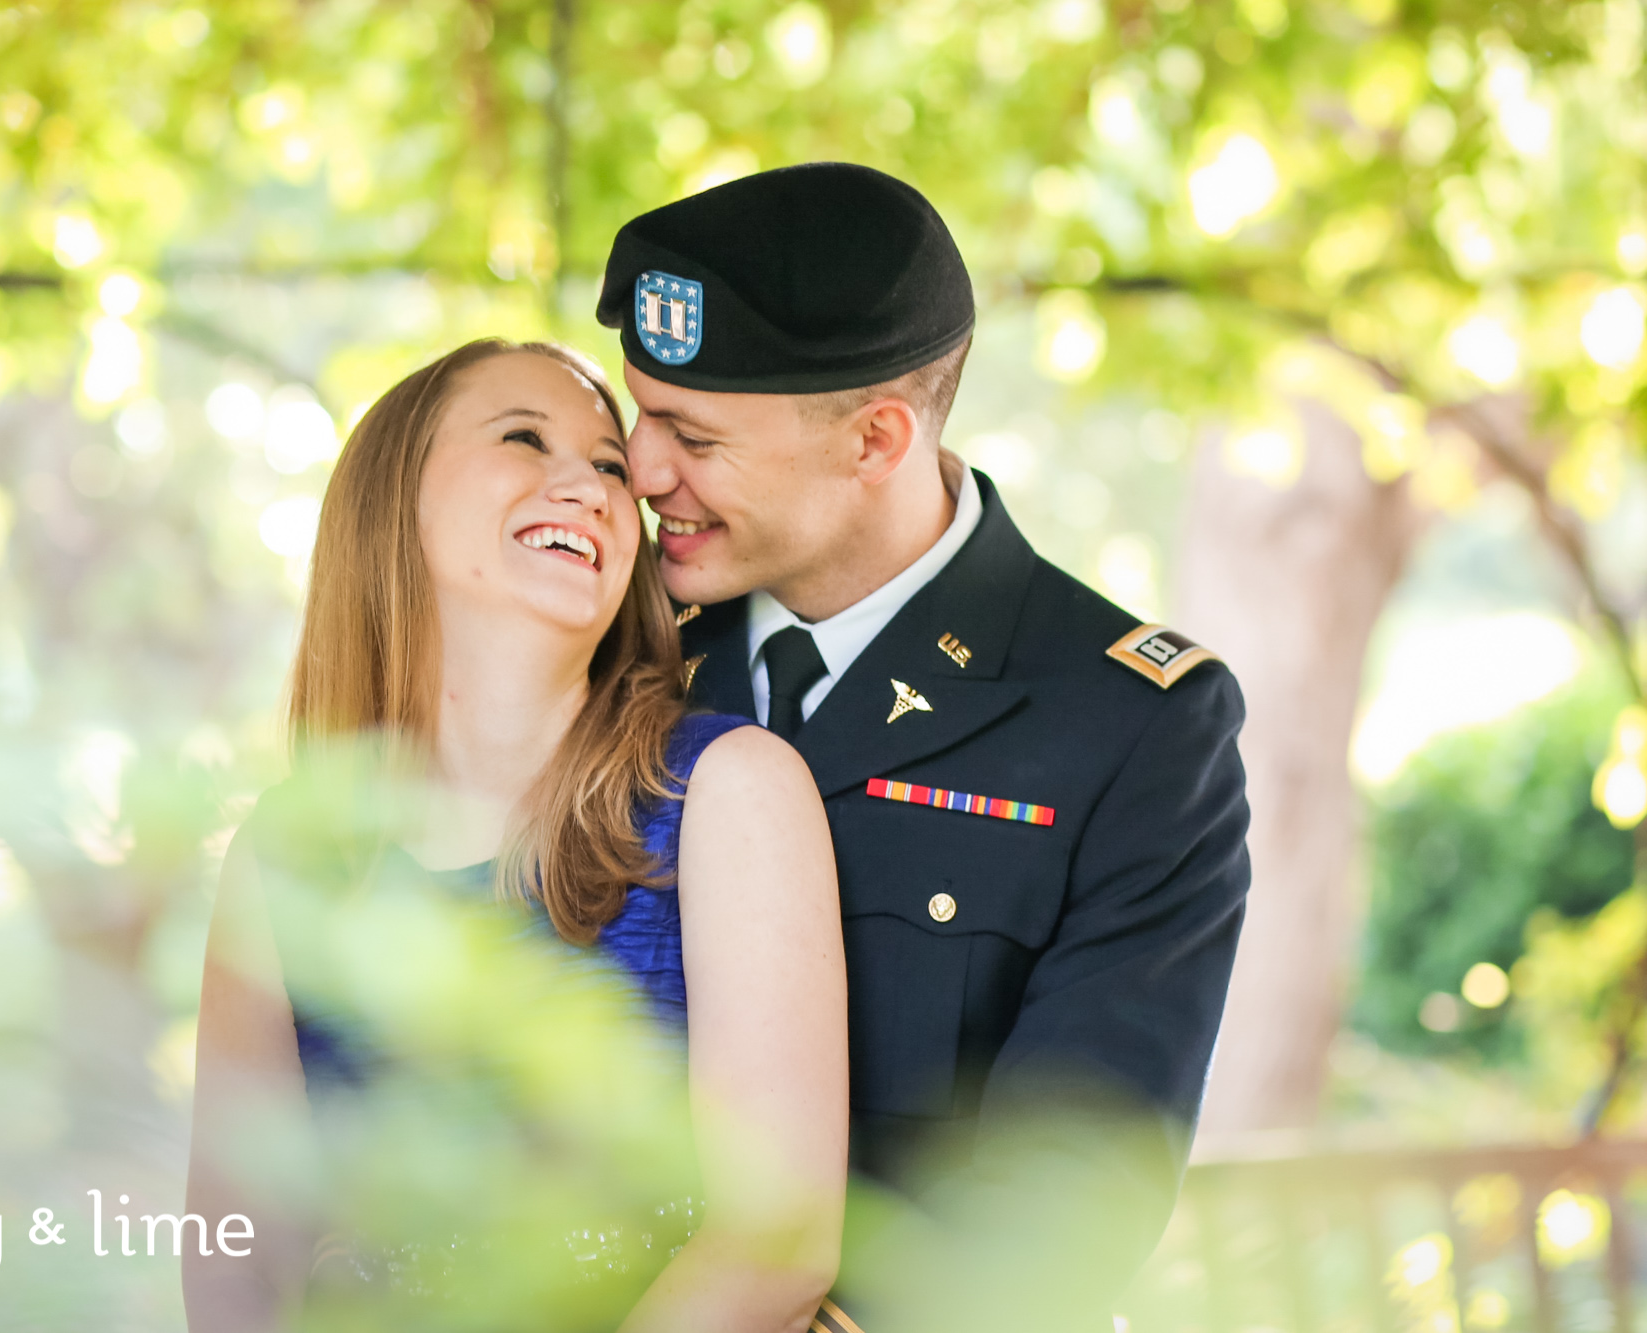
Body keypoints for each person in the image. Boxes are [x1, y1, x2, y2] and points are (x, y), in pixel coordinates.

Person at [597, 163, 1252, 1330]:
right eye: (640, 413)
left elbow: (1065, 1202)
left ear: (874, 438)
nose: (642, 471)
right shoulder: (618, 656)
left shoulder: (1130, 725)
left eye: (692, 433)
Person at [182, 339, 850, 1333]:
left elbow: (775, 1242)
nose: (586, 485)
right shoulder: (286, 854)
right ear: (390, 498)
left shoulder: (727, 790)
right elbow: (238, 1258)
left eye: (609, 468)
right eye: (524, 438)